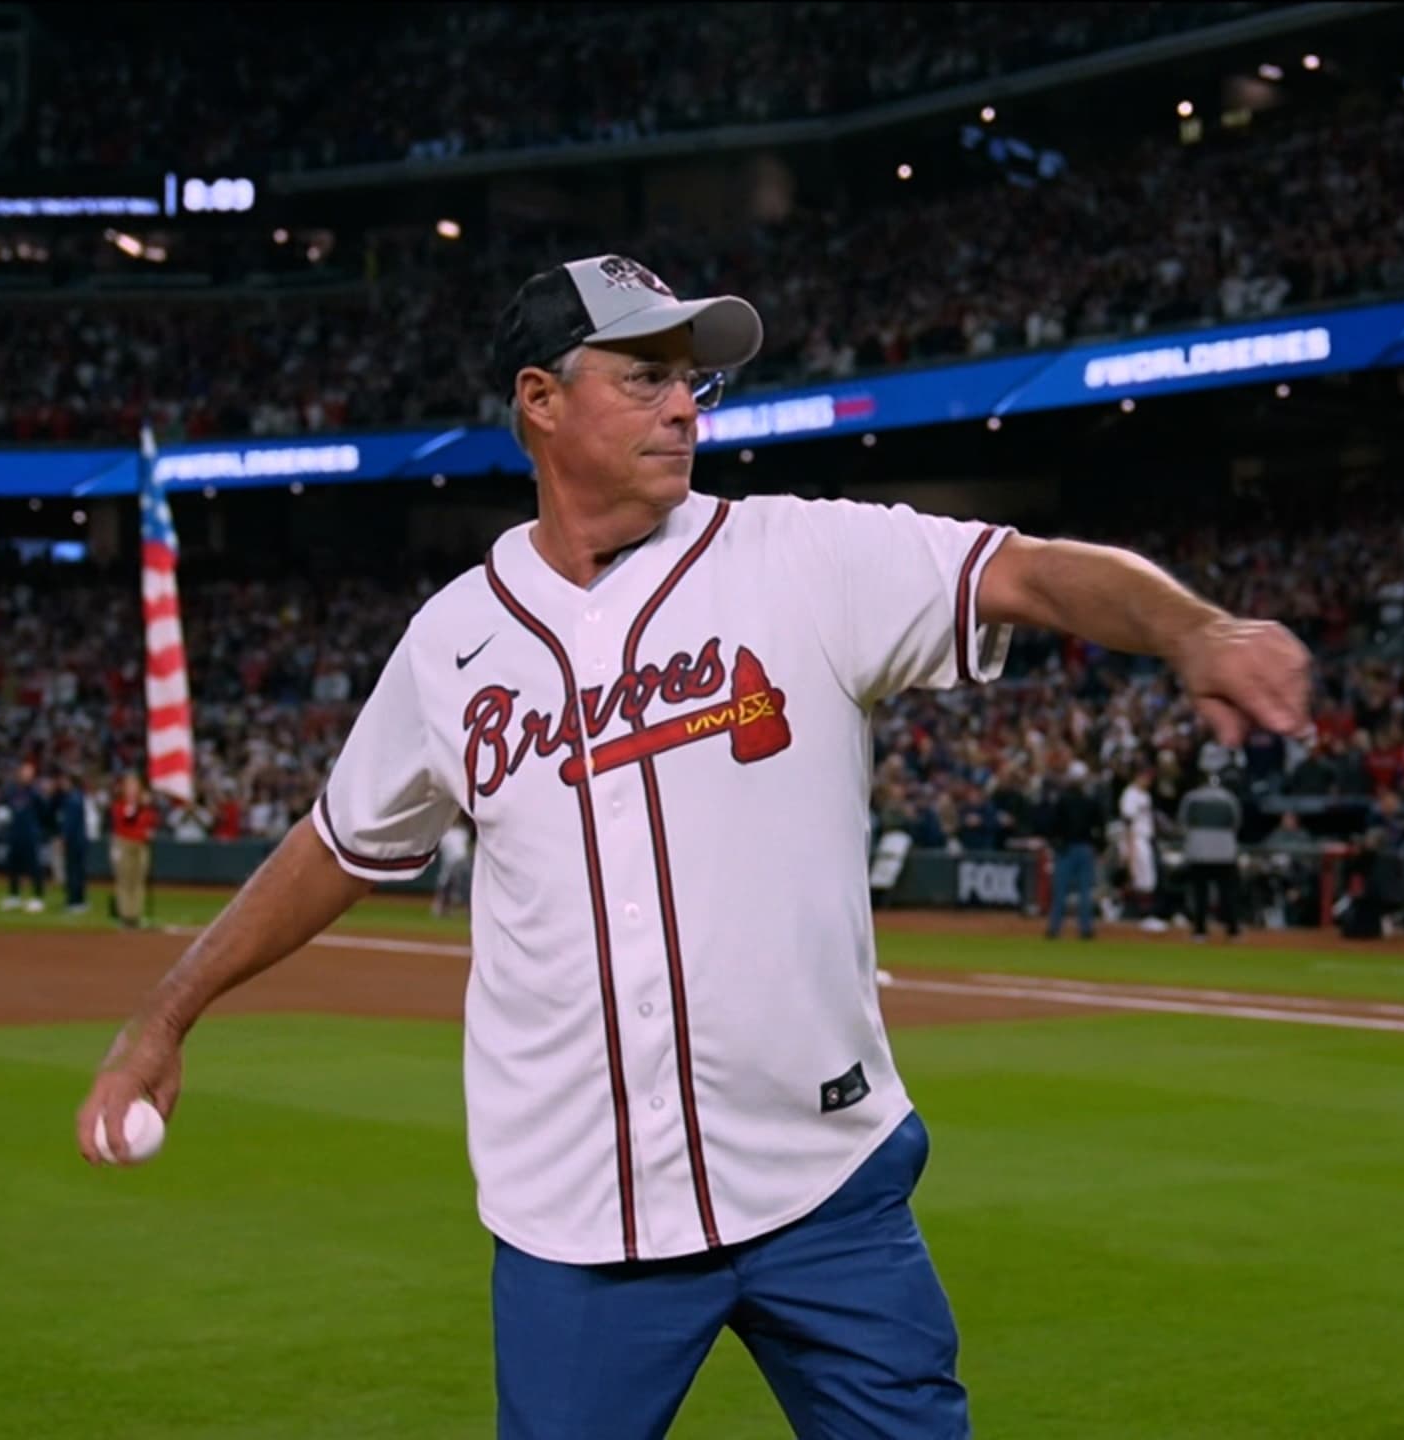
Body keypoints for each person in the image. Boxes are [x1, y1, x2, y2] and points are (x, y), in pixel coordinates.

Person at [72, 252, 1313, 1439]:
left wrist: (1192, 630)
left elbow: (1031, 576)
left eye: (692, 379)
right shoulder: (454, 643)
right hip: (576, 1228)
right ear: (541, 402)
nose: (684, 406)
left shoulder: (802, 557)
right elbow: (337, 846)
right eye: (644, 376)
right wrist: (165, 1015)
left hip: (823, 1191)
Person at [1041, 758, 1107, 941]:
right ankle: (1085, 929)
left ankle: (1054, 928)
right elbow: (1100, 826)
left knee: (1061, 890)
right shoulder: (1090, 801)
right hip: (1085, 848)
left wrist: (1055, 843)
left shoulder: (1063, 801)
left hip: (1067, 849)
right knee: (1085, 891)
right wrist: (1099, 847)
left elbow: (1052, 824)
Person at [1176, 767, 1244, 942]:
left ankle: (1200, 931)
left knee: (1200, 895)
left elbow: (1183, 823)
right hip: (1225, 853)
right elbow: (1236, 823)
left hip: (1199, 852)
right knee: (1228, 893)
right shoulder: (1229, 798)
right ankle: (1233, 931)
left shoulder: (1191, 798)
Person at [107, 774, 157, 930]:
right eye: (129, 786)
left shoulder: (146, 807)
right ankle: (125, 916)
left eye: (135, 785)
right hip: (124, 844)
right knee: (124, 881)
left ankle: (135, 916)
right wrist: (142, 806)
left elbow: (152, 822)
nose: (132, 789)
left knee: (138, 881)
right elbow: (127, 819)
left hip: (141, 845)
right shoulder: (119, 805)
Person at [0, 760, 49, 913]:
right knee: (13, 865)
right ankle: (14, 896)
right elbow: (7, 807)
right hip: (15, 833)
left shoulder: (35, 792)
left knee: (34, 866)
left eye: (28, 773)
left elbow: (44, 812)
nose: (25, 775)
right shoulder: (12, 790)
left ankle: (38, 898)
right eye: (23, 772)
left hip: (30, 834)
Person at [1119, 765, 1162, 931]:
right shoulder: (1130, 794)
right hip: (1136, 839)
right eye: (1146, 776)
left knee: (1147, 880)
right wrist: (1130, 848)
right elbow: (1128, 823)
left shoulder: (1145, 795)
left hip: (1144, 839)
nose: (1149, 780)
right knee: (1143, 880)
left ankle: (1142, 915)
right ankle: (1144, 917)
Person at [57, 772, 95, 915]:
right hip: (81, 840)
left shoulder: (72, 798)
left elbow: (70, 823)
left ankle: (74, 901)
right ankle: (80, 901)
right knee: (78, 871)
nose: (61, 783)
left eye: (64, 780)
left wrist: (64, 838)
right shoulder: (79, 796)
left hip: (75, 841)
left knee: (73, 872)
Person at [434, 814, 475, 919]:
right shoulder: (446, 833)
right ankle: (441, 907)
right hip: (450, 863)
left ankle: (469, 910)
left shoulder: (463, 832)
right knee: (445, 883)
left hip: (462, 862)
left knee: (467, 886)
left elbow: (467, 848)